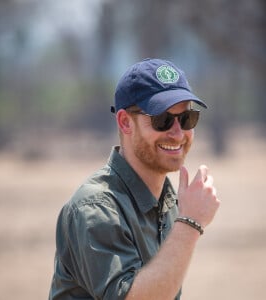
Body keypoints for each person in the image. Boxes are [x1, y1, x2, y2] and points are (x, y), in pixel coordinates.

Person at [48, 58, 220, 300]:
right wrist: (190, 224)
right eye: (163, 119)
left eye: (187, 118)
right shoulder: (96, 207)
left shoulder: (169, 202)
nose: (178, 132)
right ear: (125, 122)